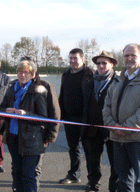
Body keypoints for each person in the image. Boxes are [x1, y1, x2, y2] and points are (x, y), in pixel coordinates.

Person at [103, 44, 140, 192]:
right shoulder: (118, 79)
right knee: (123, 181)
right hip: (118, 138)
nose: (129, 58)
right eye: (126, 55)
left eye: (133, 55)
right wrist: (113, 126)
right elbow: (106, 107)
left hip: (139, 139)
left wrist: (126, 127)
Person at [0, 60, 61, 192]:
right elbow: (0, 109)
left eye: (26, 72)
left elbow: (44, 118)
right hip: (13, 138)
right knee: (17, 175)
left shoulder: (38, 90)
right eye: (20, 72)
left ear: (32, 74)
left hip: (32, 140)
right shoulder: (11, 88)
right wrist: (6, 111)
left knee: (29, 176)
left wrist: (25, 114)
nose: (22, 75)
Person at [82, 51, 119, 192]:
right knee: (92, 160)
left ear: (112, 64)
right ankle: (93, 183)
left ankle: (114, 186)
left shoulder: (118, 82)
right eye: (98, 63)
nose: (101, 65)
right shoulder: (89, 82)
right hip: (92, 128)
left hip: (111, 128)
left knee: (115, 161)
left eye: (104, 63)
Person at [58, 48, 93, 184]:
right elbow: (62, 93)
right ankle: (74, 174)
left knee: (89, 150)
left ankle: (92, 179)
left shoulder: (89, 73)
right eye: (71, 58)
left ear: (82, 59)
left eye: (75, 58)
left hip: (85, 119)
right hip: (69, 118)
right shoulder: (66, 74)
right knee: (73, 148)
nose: (72, 61)